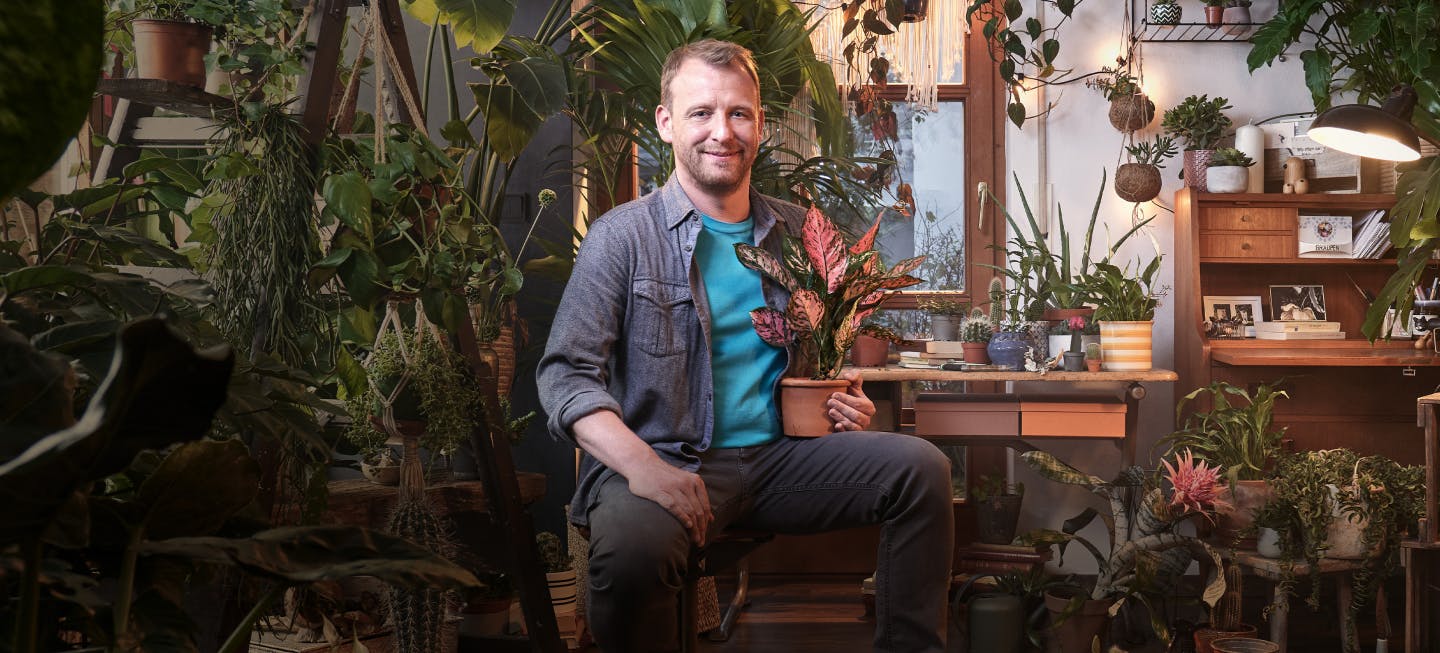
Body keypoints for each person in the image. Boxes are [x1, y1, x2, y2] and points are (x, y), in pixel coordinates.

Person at [536, 39, 953, 653]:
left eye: (738, 113)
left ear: (760, 124)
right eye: (701, 112)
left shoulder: (795, 231)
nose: (721, 132)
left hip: (781, 462)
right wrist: (645, 470)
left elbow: (821, 352)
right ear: (666, 121)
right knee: (632, 555)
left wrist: (844, 401)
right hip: (661, 459)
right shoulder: (620, 237)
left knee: (923, 471)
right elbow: (565, 378)